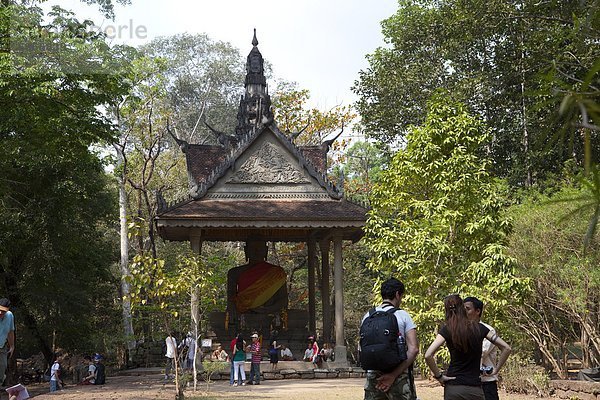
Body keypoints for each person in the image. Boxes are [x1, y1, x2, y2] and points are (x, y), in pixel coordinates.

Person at [425, 294, 511, 400]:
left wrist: (439, 376)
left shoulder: (447, 330)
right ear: (462, 309)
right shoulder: (480, 328)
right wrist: (496, 370)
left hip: (453, 386)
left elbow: (428, 355)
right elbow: (506, 348)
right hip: (474, 388)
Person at [361, 277, 419, 400]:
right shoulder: (402, 315)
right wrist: (393, 375)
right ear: (398, 294)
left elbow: (363, 346)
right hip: (399, 377)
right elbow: (413, 349)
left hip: (374, 377)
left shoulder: (368, 316)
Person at [464, 296, 500, 400]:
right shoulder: (462, 331)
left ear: (478, 311)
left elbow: (480, 353)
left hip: (486, 383)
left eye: (467, 309)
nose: (464, 313)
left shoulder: (488, 331)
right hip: (467, 384)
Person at [0, 298, 15, 387]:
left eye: (3, 311)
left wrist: (12, 346)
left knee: (2, 369)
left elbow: (10, 331)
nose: (1, 313)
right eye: (0, 310)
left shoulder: (9, 316)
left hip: (2, 348)